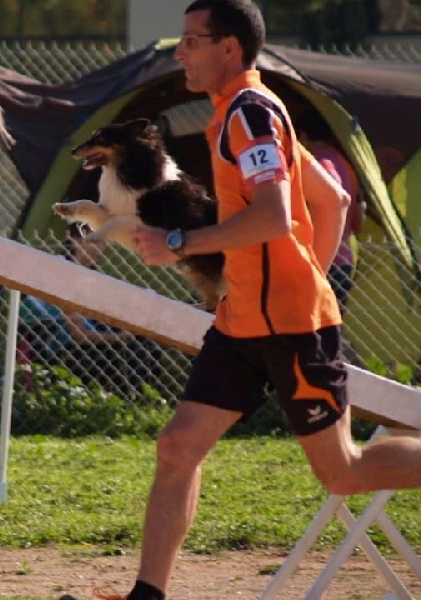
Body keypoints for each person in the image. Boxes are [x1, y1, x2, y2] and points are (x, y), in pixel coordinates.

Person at [67, 2, 421, 600]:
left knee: (343, 473)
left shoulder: (250, 114)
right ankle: (146, 596)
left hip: (288, 324)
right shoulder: (246, 110)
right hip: (242, 321)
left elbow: (275, 216)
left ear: (229, 48)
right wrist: (307, 273)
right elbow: (332, 201)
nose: (179, 52)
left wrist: (182, 240)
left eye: (190, 41)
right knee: (178, 446)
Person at [18, 224, 161, 395]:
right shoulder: (61, 272)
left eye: (102, 244)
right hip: (59, 349)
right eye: (94, 242)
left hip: (83, 342)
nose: (99, 250)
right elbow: (79, 335)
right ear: (75, 240)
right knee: (130, 351)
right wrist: (122, 336)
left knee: (147, 345)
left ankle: (139, 399)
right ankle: (126, 400)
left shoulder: (92, 277)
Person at [296, 111, 366, 309]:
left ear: (302, 135)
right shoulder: (347, 165)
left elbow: (332, 199)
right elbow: (359, 223)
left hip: (322, 259)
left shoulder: (320, 163)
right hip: (344, 259)